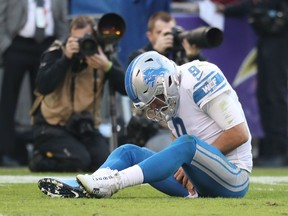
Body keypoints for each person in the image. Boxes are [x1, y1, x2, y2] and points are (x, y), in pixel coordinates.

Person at [38, 51, 253, 198]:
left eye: (155, 99)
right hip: (195, 181)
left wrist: (193, 162)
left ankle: (114, 182)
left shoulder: (200, 76)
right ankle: (88, 185)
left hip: (233, 176)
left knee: (188, 144)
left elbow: (238, 133)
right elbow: (180, 146)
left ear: (165, 81)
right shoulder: (171, 98)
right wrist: (187, 165)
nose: (154, 108)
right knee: (128, 151)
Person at [28, 15, 127, 172]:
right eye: (77, 40)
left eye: (86, 38)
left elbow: (126, 88)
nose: (82, 44)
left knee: (104, 165)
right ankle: (40, 159)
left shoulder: (102, 54)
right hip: (52, 125)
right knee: (78, 160)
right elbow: (42, 86)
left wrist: (107, 66)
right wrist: (66, 59)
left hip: (84, 127)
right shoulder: (57, 51)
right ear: (69, 37)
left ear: (94, 36)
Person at [216, 0, 288, 166]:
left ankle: (281, 149)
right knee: (264, 95)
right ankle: (270, 148)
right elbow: (249, 5)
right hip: (266, 40)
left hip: (280, 39)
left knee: (274, 95)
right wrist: (223, 10)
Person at [0, 0, 69, 166]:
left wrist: (60, 45)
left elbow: (63, 22)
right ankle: (5, 152)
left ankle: (44, 149)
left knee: (43, 103)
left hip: (47, 46)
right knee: (8, 101)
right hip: (17, 44)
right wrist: (5, 45)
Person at [125, 11, 207, 149]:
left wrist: (193, 57)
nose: (168, 37)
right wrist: (157, 52)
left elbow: (203, 81)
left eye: (171, 33)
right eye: (161, 33)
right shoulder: (139, 58)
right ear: (150, 36)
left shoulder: (183, 56)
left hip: (187, 125)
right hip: (153, 127)